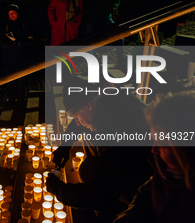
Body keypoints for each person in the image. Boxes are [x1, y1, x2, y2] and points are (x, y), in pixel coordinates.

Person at [47, 77, 152, 222]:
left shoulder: (117, 130)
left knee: (100, 192)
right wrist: (65, 147)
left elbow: (101, 194)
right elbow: (77, 123)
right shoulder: (105, 100)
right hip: (131, 157)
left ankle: (115, 211)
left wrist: (59, 190)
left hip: (146, 176)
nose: (76, 122)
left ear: (89, 105)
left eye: (76, 116)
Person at [115, 91, 195, 223]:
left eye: (161, 144)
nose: (153, 150)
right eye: (154, 140)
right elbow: (150, 189)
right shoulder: (163, 166)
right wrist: (130, 214)